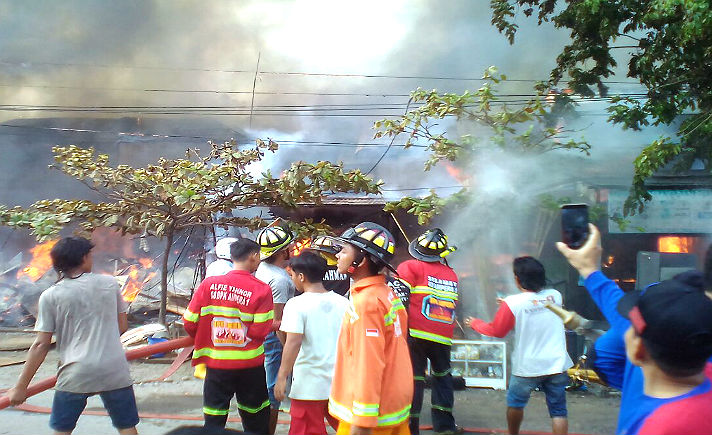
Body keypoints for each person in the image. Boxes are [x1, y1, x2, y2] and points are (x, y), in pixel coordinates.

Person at [557, 224, 712, 434]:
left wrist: (589, 269)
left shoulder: (661, 426)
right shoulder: (693, 327)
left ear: (638, 350)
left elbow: (606, 351)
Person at [7, 237, 139, 435]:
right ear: (84, 257)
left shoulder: (51, 296)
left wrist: (20, 387)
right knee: (127, 427)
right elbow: (121, 326)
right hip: (114, 370)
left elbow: (41, 345)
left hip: (75, 373)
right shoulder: (110, 284)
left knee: (63, 429)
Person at [465, 256, 573, 435]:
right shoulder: (555, 295)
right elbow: (535, 303)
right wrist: (508, 304)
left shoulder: (513, 303)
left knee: (515, 404)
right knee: (559, 411)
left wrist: (475, 323)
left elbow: (498, 331)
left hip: (527, 367)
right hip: (557, 364)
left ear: (517, 279)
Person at [328, 222, 413, 435]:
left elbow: (368, 362)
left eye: (344, 250)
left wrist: (362, 422)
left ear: (362, 260)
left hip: (371, 416)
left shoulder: (366, 303)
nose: (338, 255)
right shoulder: (385, 293)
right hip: (392, 404)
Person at [183, 238, 274, 434]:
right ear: (253, 256)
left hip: (216, 365)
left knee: (214, 418)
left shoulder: (209, 285)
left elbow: (190, 321)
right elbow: (259, 331)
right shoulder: (262, 289)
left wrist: (204, 338)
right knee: (255, 416)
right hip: (250, 366)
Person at [274, 251, 349, 435]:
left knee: (305, 430)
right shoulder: (344, 303)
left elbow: (293, 342)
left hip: (309, 383)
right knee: (345, 428)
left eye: (292, 276)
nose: (292, 280)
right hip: (340, 381)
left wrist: (282, 377)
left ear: (301, 276)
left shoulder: (296, 304)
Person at [396, 228, 460, 435]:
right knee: (443, 378)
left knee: (414, 380)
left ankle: (410, 428)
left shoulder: (409, 267)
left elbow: (400, 301)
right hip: (442, 337)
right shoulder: (451, 274)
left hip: (415, 334)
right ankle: (445, 427)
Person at [254, 224, 296, 434]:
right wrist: (289, 350)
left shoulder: (262, 270)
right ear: (282, 252)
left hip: (261, 334)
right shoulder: (279, 280)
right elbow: (278, 319)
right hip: (273, 339)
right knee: (274, 390)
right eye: (289, 246)